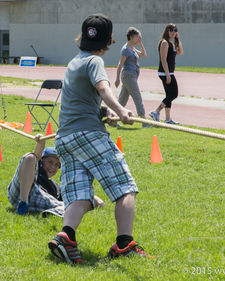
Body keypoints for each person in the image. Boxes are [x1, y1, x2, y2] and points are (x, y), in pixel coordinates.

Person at [47, 14, 152, 264]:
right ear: (108, 43)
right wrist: (120, 110)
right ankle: (124, 244)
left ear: (82, 37)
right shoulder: (95, 61)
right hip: (88, 135)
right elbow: (104, 88)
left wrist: (103, 113)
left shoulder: (74, 62)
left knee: (81, 196)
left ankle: (66, 237)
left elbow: (82, 99)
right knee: (125, 189)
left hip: (65, 139)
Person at [7, 135, 104, 217]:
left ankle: (54, 211)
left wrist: (96, 201)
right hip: (19, 193)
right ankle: (23, 203)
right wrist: (41, 143)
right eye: (50, 162)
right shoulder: (37, 170)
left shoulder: (55, 187)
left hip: (40, 201)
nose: (52, 167)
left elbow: (72, 195)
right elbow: (36, 155)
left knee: (74, 205)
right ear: (42, 161)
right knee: (30, 157)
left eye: (57, 165)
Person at [114, 27, 151, 127]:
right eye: (137, 37)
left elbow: (144, 55)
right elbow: (120, 64)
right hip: (128, 76)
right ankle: (144, 121)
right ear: (131, 37)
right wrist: (117, 78)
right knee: (137, 96)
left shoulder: (132, 48)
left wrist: (140, 43)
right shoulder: (126, 49)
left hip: (132, 76)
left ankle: (113, 120)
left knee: (122, 99)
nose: (139, 38)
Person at [149, 24, 184, 125]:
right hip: (165, 73)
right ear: (167, 31)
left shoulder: (171, 43)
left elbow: (180, 52)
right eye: (171, 30)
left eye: (175, 30)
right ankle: (156, 112)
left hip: (169, 72)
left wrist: (178, 39)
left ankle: (168, 119)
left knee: (169, 95)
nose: (173, 32)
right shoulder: (164, 43)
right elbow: (163, 60)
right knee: (174, 94)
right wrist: (168, 75)